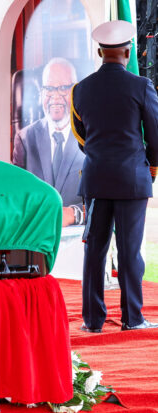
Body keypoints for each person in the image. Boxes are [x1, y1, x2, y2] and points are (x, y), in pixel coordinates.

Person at [71, 21, 158, 332]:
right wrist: (151, 165)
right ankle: (133, 319)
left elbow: (81, 135)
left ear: (99, 52)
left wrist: (98, 154)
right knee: (130, 251)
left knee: (94, 250)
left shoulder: (80, 89)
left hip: (95, 178)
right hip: (132, 178)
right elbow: (156, 134)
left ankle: (92, 321)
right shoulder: (141, 86)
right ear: (127, 50)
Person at [13, 57, 85, 227]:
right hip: (37, 241)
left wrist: (75, 214)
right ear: (41, 93)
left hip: (80, 243)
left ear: (76, 91)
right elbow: (15, 198)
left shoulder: (91, 138)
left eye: (63, 88)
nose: (55, 96)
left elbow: (105, 204)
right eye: (49, 89)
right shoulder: (24, 139)